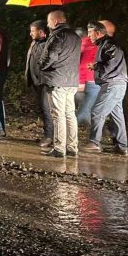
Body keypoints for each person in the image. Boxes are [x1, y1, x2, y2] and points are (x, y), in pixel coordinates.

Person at [38, 10, 81, 157]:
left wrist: (41, 65)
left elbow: (51, 56)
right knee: (70, 114)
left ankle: (59, 148)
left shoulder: (57, 36)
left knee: (58, 115)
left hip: (57, 80)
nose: (48, 23)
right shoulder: (75, 36)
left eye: (49, 20)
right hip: (72, 81)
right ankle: (72, 147)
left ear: (55, 21)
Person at [83, 22, 128, 155]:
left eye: (90, 32)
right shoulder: (106, 44)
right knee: (117, 116)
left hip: (113, 84)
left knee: (97, 111)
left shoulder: (108, 45)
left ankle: (94, 143)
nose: (88, 35)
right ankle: (122, 147)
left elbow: (111, 63)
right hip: (117, 83)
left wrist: (96, 66)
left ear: (98, 33)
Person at [25, 20, 54, 147]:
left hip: (45, 82)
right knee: (42, 109)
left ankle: (49, 136)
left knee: (47, 109)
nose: (30, 33)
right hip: (36, 82)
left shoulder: (47, 45)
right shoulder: (34, 43)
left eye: (33, 31)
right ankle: (47, 134)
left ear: (41, 32)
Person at [74, 23, 101, 129]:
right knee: (87, 108)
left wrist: (81, 82)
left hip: (91, 81)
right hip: (86, 81)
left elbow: (88, 66)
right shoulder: (86, 43)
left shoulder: (94, 45)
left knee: (84, 112)